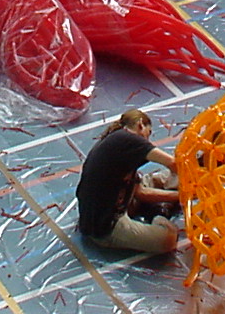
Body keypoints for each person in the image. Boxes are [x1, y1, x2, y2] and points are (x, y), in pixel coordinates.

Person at [75, 108, 181, 252]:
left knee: (160, 178)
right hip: (106, 226)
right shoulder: (129, 140)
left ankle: (158, 205)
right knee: (168, 239)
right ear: (140, 124)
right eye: (148, 133)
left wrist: (178, 194)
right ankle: (158, 214)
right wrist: (184, 194)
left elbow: (140, 192)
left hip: (112, 205)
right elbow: (173, 163)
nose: (147, 139)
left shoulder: (117, 141)